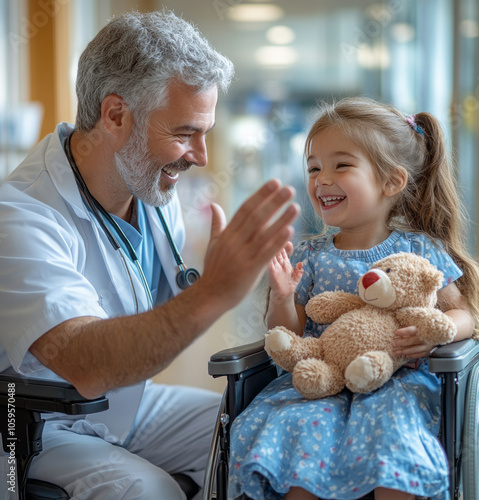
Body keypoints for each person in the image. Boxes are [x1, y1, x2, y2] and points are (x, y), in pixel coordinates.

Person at [0, 10, 300, 500]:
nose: (201, 155)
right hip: (35, 426)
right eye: (185, 133)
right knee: (149, 491)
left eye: (205, 132)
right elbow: (87, 364)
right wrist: (214, 293)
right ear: (115, 115)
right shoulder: (17, 217)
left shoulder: (151, 192)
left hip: (127, 405)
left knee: (269, 431)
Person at [228, 97, 479, 500]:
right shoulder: (310, 255)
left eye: (341, 165)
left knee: (393, 436)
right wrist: (282, 298)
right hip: (322, 378)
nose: (321, 179)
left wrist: (438, 333)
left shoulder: (419, 249)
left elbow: (463, 314)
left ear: (391, 181)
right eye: (314, 167)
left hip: (398, 380)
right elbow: (287, 335)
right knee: (298, 429)